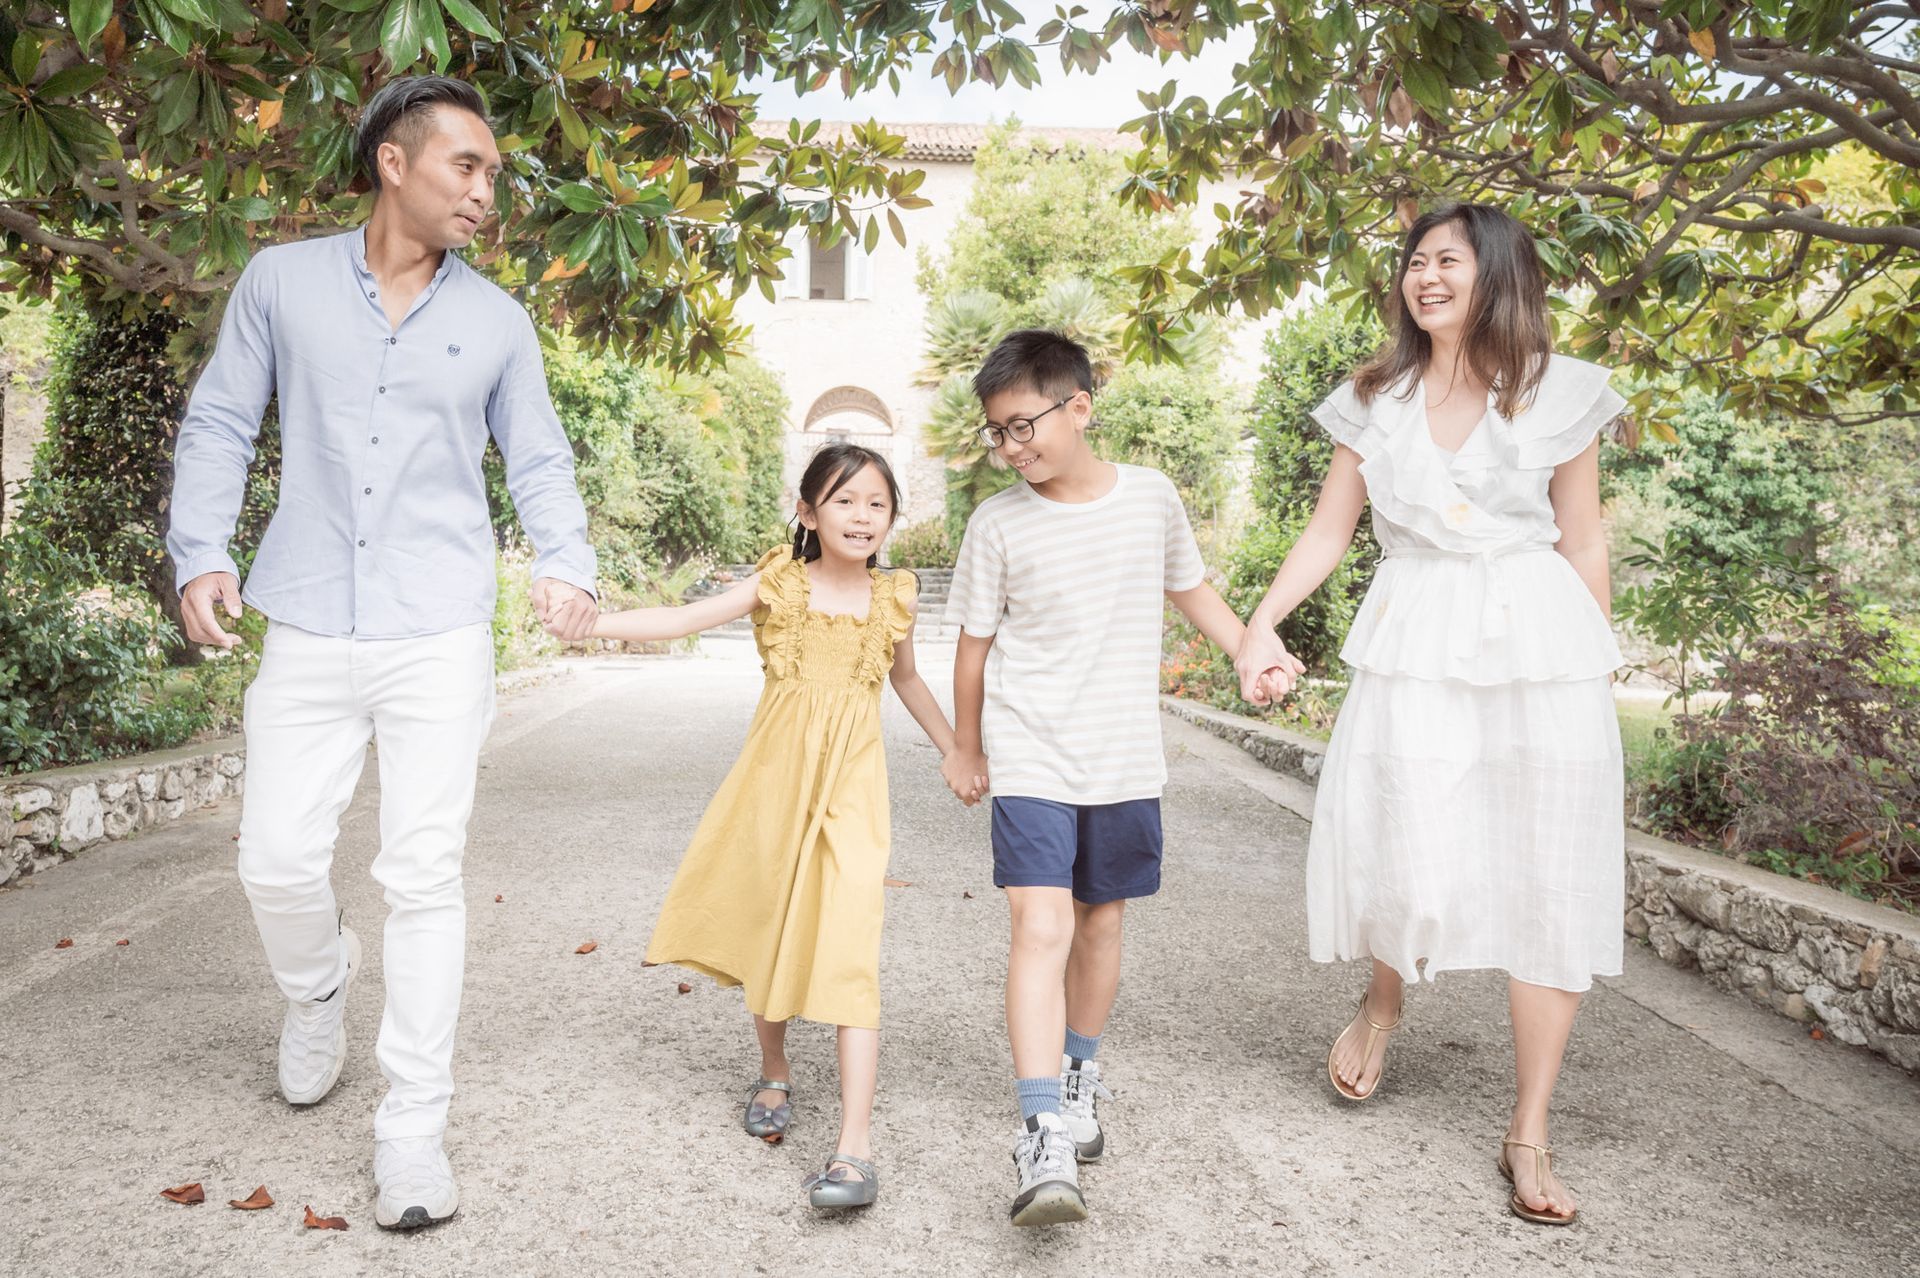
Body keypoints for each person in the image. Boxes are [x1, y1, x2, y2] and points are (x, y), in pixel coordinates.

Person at [165, 75, 598, 1231]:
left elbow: (540, 460)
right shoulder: (281, 284)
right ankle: (318, 986)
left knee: (423, 879)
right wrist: (199, 547)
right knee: (274, 861)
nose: (486, 191)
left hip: (440, 627)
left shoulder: (498, 321)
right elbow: (219, 420)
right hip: (305, 611)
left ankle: (412, 1129)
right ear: (395, 165)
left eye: (494, 174)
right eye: (468, 166)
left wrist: (567, 560)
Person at [1236, 202, 1625, 1226]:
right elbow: (1331, 531)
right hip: (1414, 634)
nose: (1425, 277)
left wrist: (1591, 661)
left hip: (1541, 643)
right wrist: (1261, 625)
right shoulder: (1378, 396)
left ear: (1496, 271)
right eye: (1414, 263)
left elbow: (1582, 542)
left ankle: (1529, 1128)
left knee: (1551, 875)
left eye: (1446, 259)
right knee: (1404, 840)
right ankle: (1383, 999)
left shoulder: (1563, 392)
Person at [941, 330, 1255, 1227]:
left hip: (1122, 755)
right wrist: (967, 746)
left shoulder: (1151, 500)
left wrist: (1246, 650)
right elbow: (973, 649)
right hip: (1032, 749)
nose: (1012, 447)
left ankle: (1081, 1070)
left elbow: (1191, 592)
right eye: (998, 433)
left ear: (1079, 406)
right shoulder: (997, 522)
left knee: (1101, 920)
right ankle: (1041, 1128)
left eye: (1023, 425)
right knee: (1039, 924)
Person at [593, 443, 956, 1211]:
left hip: (854, 797)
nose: (862, 516)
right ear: (808, 511)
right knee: (772, 924)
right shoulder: (780, 585)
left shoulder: (896, 596)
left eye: (877, 504)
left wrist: (958, 748)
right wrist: (595, 622)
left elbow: (908, 679)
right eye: (845, 500)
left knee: (852, 948)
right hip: (774, 789)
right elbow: (685, 618)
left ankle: (855, 1150)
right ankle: (775, 1069)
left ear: (892, 517)